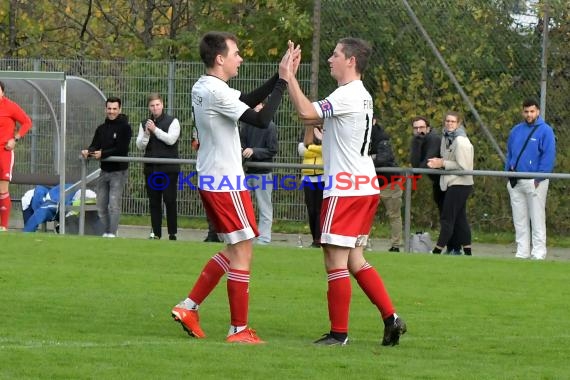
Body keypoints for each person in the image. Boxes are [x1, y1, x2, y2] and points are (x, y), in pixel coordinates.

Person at [170, 31, 296, 344]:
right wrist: (282, 82)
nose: (240, 58)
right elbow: (262, 119)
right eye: (236, 53)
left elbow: (245, 102)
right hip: (226, 181)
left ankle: (189, 307)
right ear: (220, 58)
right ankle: (238, 330)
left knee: (233, 249)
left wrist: (279, 76)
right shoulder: (216, 91)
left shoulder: (203, 85)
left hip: (212, 178)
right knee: (243, 252)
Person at [287, 37, 406, 346]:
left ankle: (339, 334)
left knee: (334, 259)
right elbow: (329, 125)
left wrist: (289, 76)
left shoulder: (347, 94)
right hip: (364, 184)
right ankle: (391, 318)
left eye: (336, 54)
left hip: (346, 188)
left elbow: (305, 112)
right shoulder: (361, 95)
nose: (330, 58)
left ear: (351, 61)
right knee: (355, 260)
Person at [505, 98, 556, 260]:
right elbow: (509, 153)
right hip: (516, 180)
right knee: (519, 219)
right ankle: (522, 252)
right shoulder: (516, 130)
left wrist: (539, 178)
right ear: (522, 112)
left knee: (537, 217)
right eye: (526, 111)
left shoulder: (545, 131)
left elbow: (548, 157)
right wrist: (508, 172)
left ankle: (539, 253)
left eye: (532, 111)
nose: (529, 114)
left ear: (538, 111)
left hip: (535, 181)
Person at [81, 96, 132, 238]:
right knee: (101, 204)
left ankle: (111, 233)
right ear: (105, 109)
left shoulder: (125, 128)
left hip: (118, 171)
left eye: (115, 109)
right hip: (104, 171)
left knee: (113, 204)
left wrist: (103, 153)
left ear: (120, 109)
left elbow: (121, 149)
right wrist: (88, 151)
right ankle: (106, 231)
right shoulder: (101, 128)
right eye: (109, 108)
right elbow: (95, 145)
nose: (112, 111)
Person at [410, 116, 461, 254]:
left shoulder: (433, 139)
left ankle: (455, 248)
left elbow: (428, 161)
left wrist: (416, 173)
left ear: (428, 128)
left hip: (448, 181)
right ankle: (452, 247)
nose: (419, 131)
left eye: (422, 128)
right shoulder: (418, 140)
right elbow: (415, 162)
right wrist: (416, 144)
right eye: (416, 128)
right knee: (444, 214)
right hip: (437, 182)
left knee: (449, 216)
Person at [427, 111, 474, 256]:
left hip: (461, 183)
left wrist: (442, 163)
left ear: (458, 124)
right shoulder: (446, 137)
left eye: (453, 122)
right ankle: (468, 251)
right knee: (460, 218)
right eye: (447, 121)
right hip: (451, 182)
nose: (449, 124)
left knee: (447, 217)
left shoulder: (461, 141)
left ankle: (437, 250)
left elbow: (464, 166)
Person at [136, 93, 180, 241]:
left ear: (162, 104)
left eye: (157, 105)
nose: (155, 108)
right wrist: (147, 134)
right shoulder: (144, 123)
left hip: (168, 169)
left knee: (170, 200)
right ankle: (156, 233)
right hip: (151, 169)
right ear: (149, 107)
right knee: (154, 201)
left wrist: (155, 130)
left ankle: (172, 233)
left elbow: (171, 140)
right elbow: (139, 146)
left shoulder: (173, 121)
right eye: (152, 105)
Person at [240, 103, 278, 245]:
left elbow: (272, 149)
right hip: (248, 171)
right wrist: (242, 150)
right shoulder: (246, 126)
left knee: (264, 206)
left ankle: (264, 238)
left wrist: (254, 151)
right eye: (254, 106)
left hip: (263, 173)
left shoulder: (270, 126)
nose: (256, 109)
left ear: (263, 107)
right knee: (244, 206)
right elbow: (241, 144)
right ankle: (246, 236)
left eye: (258, 106)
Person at [0, 80, 33, 232]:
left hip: (4, 152)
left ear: (2, 91)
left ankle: (4, 226)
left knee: (3, 189)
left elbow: (27, 122)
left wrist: (16, 138)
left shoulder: (10, 106)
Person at [370, 117, 402, 252]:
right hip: (369, 182)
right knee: (365, 214)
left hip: (389, 182)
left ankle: (396, 245)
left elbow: (384, 158)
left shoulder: (381, 136)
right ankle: (362, 243)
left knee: (394, 215)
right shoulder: (358, 133)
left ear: (374, 120)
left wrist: (366, 159)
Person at [298, 126, 324, 248]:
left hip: (322, 178)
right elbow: (301, 150)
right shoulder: (307, 131)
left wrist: (310, 147)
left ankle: (319, 239)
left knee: (319, 210)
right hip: (308, 178)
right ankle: (314, 238)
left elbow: (326, 150)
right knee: (311, 210)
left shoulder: (326, 131)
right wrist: (317, 149)